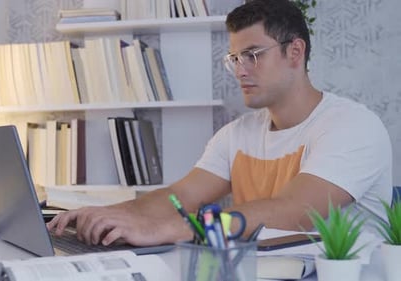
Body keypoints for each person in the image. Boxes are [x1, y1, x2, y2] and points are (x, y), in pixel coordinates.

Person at [47, 0, 392, 246]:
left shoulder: (352, 126)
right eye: (235, 58)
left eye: (253, 55)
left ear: (295, 52)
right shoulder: (238, 134)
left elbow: (294, 213)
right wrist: (105, 215)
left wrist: (178, 230)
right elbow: (179, 195)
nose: (240, 71)